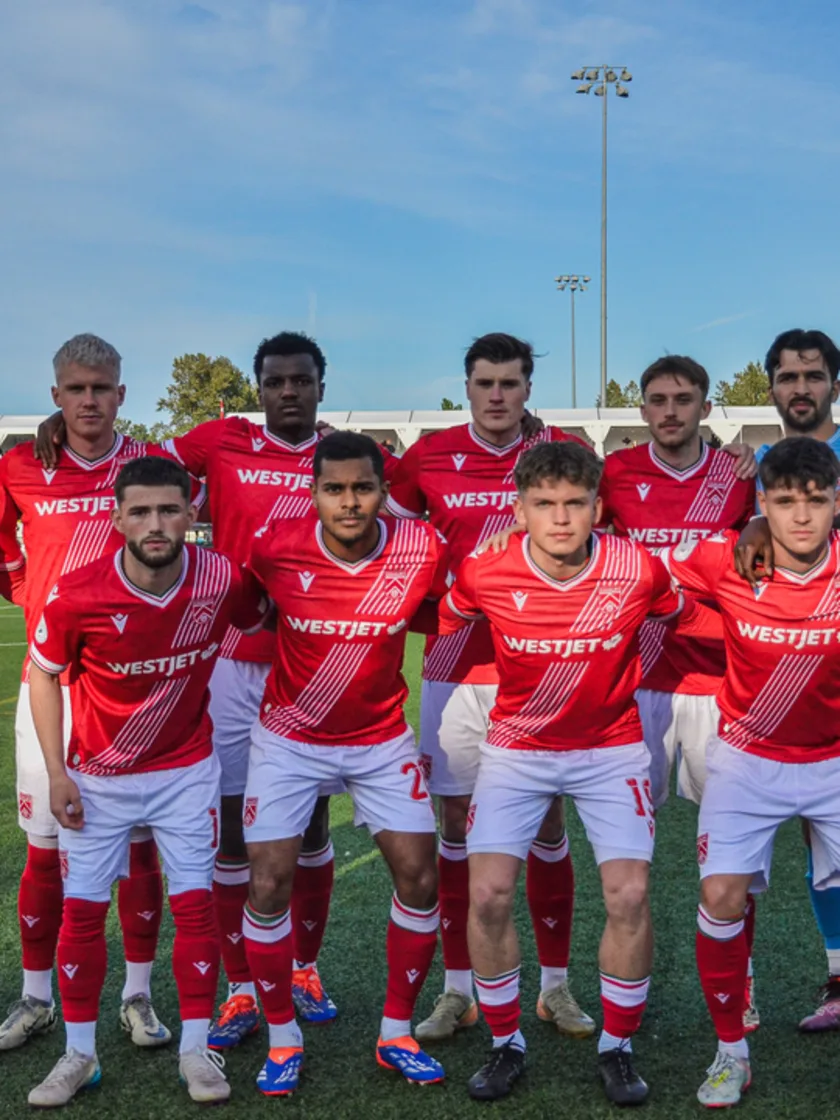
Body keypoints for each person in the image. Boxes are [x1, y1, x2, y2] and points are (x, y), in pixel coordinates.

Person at [36, 331, 397, 1045]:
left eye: (301, 380)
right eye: (274, 381)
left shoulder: (343, 457)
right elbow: (138, 467)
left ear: (321, 387)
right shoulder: (218, 441)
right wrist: (64, 425)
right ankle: (238, 985)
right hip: (230, 654)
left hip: (316, 657)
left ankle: (303, 966)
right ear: (259, 388)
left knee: (311, 824)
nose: (288, 391)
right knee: (233, 829)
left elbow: (417, 489)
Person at [439, 440, 720, 1104]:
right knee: (488, 896)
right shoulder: (485, 572)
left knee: (627, 896)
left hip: (610, 747)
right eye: (544, 505)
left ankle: (616, 1048)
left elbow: (688, 616)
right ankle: (506, 1043)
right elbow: (447, 617)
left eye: (574, 503)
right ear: (520, 510)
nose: (560, 519)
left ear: (598, 506)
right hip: (516, 748)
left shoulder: (636, 567)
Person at [25, 456, 270, 1107]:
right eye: (140, 511)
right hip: (98, 776)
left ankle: (196, 1051)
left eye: (169, 510)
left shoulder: (221, 577)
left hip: (187, 771)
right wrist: (56, 771)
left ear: (193, 515)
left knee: (195, 908)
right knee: (81, 913)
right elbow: (45, 674)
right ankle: (79, 1054)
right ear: (117, 518)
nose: (155, 524)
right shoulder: (79, 592)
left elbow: (265, 621)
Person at [386, 333, 592, 1042]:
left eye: (510, 382)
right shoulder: (427, 458)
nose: (498, 394)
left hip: (537, 667)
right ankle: (457, 990)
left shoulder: (563, 450)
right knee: (455, 829)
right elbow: (377, 511)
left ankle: (556, 988)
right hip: (451, 667)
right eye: (485, 383)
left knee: (544, 825)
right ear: (467, 388)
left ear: (529, 388)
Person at [0, 335, 193, 1051]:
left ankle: (137, 997)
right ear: (56, 396)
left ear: (121, 393)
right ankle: (35, 996)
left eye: (101, 388)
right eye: (76, 389)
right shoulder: (22, 464)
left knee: (139, 851)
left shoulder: (147, 464)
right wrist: (28, 593)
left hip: (135, 688)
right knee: (45, 850)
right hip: (49, 687)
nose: (88, 401)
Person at [241, 432, 449, 1096]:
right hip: (288, 738)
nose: (349, 502)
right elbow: (242, 606)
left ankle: (396, 1032)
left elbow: (454, 597)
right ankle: (281, 1038)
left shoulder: (421, 548)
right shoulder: (275, 548)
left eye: (363, 487)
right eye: (334, 489)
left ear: (384, 493)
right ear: (314, 494)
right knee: (269, 882)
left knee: (420, 876)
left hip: (379, 736)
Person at [661, 437, 840, 1106]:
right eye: (784, 503)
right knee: (721, 898)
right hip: (747, 759)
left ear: (836, 504)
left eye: (816, 502)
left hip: (832, 760)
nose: (801, 517)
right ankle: (730, 1052)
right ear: (761, 502)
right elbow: (634, 565)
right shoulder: (725, 557)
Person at [599, 357, 759, 1028]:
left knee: (731, 854)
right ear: (641, 409)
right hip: (632, 681)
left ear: (706, 404)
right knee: (628, 855)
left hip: (718, 678)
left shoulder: (738, 476)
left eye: (683, 399)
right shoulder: (613, 475)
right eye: (658, 400)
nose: (670, 411)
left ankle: (740, 982)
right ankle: (626, 989)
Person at [733, 328, 840, 1032]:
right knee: (788, 842)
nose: (799, 387)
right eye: (787, 376)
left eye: (813, 375)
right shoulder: (756, 465)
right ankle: (807, 983)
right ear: (768, 386)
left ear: (833, 381)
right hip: (773, 682)